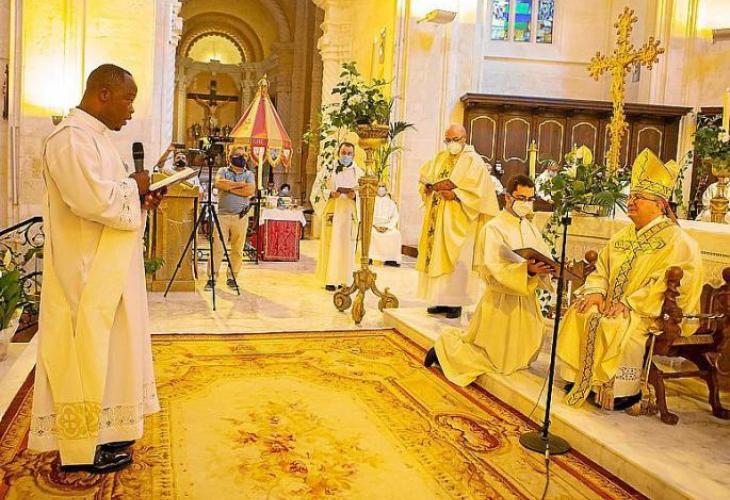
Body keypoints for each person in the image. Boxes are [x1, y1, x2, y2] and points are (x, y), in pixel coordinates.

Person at [29, 64, 165, 473]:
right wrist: (134, 187)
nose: (131, 109)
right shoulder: (70, 139)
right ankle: (81, 448)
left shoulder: (95, 138)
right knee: (86, 352)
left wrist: (140, 197)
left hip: (107, 266)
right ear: (103, 93)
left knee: (112, 351)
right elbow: (91, 200)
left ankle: (106, 429)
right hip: (84, 271)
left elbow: (110, 195)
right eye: (128, 99)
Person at [558, 149, 704, 411]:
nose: (631, 201)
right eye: (631, 196)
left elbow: (668, 284)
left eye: (639, 197)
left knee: (615, 325)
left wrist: (628, 303)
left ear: (660, 204)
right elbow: (602, 268)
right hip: (611, 302)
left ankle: (618, 391)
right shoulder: (623, 235)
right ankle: (580, 380)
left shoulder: (678, 241)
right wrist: (596, 292)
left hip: (645, 310)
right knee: (583, 311)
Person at [424, 175, 555, 381]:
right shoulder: (494, 228)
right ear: (508, 197)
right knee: (494, 361)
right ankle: (443, 351)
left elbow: (543, 253)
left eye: (530, 199)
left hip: (526, 301)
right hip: (500, 303)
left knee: (518, 359)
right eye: (521, 198)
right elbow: (492, 270)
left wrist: (547, 267)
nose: (526, 204)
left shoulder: (529, 227)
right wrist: (526, 271)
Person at [416, 124, 499, 319]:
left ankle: (456, 302)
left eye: (455, 140)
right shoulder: (440, 157)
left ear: (464, 139)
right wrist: (427, 188)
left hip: (461, 219)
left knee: (457, 260)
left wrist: (455, 195)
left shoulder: (473, 160)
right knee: (437, 259)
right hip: (438, 218)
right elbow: (425, 177)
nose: (451, 144)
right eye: (448, 140)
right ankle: (441, 300)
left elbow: (480, 192)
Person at [311, 142, 363, 291]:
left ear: (354, 155)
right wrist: (329, 193)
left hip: (349, 214)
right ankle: (330, 279)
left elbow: (365, 194)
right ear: (338, 153)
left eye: (349, 153)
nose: (346, 156)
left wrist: (355, 196)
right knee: (331, 244)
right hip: (333, 211)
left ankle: (344, 280)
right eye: (343, 152)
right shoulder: (328, 169)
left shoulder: (359, 173)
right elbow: (316, 189)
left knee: (347, 246)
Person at [207, 146, 256, 290]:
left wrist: (229, 187)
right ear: (230, 157)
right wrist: (240, 185)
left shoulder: (249, 174)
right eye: (238, 155)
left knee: (237, 249)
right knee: (217, 248)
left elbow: (249, 190)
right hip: (222, 216)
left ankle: (232, 277)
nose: (242, 158)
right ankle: (212, 277)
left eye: (244, 155)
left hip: (240, 216)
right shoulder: (223, 171)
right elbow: (218, 183)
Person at [370, 184, 402, 267]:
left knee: (396, 234)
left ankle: (391, 259)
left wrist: (387, 227)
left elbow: (395, 216)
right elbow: (368, 215)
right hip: (374, 225)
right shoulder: (371, 201)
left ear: (386, 190)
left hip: (387, 226)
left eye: (383, 187)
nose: (381, 189)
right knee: (371, 234)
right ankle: (370, 257)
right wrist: (375, 226)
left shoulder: (391, 203)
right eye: (379, 187)